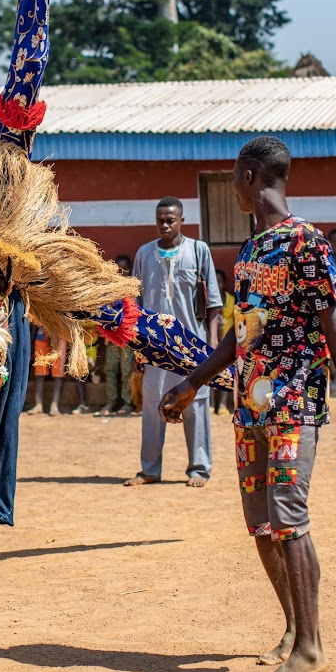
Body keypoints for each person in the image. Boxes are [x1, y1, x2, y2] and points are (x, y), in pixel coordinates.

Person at [160, 136, 336, 672]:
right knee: (260, 524)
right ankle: (294, 630)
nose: (232, 186)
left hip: (294, 403)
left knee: (287, 516)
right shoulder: (252, 251)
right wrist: (191, 384)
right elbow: (240, 334)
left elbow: (335, 325)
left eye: (234, 175)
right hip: (249, 408)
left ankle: (311, 649)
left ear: (252, 176)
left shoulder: (307, 242)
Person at [125, 196, 221, 489]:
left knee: (196, 406)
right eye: (160, 220)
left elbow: (214, 303)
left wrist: (213, 346)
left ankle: (199, 469)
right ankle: (150, 470)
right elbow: (135, 305)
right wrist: (136, 346)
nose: (165, 225)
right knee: (153, 406)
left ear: (182, 221)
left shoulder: (198, 250)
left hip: (192, 345)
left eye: (170, 220)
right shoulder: (143, 254)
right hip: (154, 345)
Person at [99, 255, 136, 415]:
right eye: (118, 269)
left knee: (127, 371)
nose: (121, 273)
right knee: (111, 369)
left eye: (124, 269)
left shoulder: (133, 289)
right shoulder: (108, 290)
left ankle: (128, 403)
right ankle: (111, 402)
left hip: (128, 338)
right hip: (112, 338)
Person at [212, 269, 236, 415]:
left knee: (227, 374)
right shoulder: (207, 300)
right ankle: (211, 404)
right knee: (209, 373)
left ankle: (222, 405)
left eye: (219, 282)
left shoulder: (231, 300)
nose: (217, 285)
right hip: (213, 342)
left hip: (227, 343)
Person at [27, 325, 65, 416]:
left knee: (58, 372)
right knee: (40, 371)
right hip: (41, 334)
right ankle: (38, 404)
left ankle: (54, 405)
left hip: (59, 334)